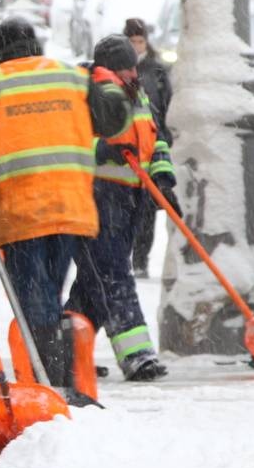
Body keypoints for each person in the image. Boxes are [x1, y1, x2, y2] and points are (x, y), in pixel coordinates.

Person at [0, 18, 130, 406]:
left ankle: (52, 386)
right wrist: (106, 82)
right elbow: (114, 120)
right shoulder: (72, 78)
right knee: (50, 294)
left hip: (23, 214)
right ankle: (57, 380)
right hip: (72, 209)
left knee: (36, 301)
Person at [67, 34, 177, 381]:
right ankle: (137, 355)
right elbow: (73, 141)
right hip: (98, 197)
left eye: (134, 66)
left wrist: (163, 177)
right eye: (127, 67)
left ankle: (64, 353)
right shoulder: (90, 93)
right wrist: (104, 150)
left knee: (93, 282)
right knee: (113, 275)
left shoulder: (135, 92)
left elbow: (155, 138)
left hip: (130, 200)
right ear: (111, 68)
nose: (134, 72)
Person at [124, 17, 174, 278]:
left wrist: (164, 138)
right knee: (126, 209)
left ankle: (140, 260)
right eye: (132, 41)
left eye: (140, 41)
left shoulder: (156, 71)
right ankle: (127, 257)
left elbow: (166, 106)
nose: (136, 46)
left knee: (146, 210)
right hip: (125, 150)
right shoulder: (117, 70)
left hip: (151, 146)